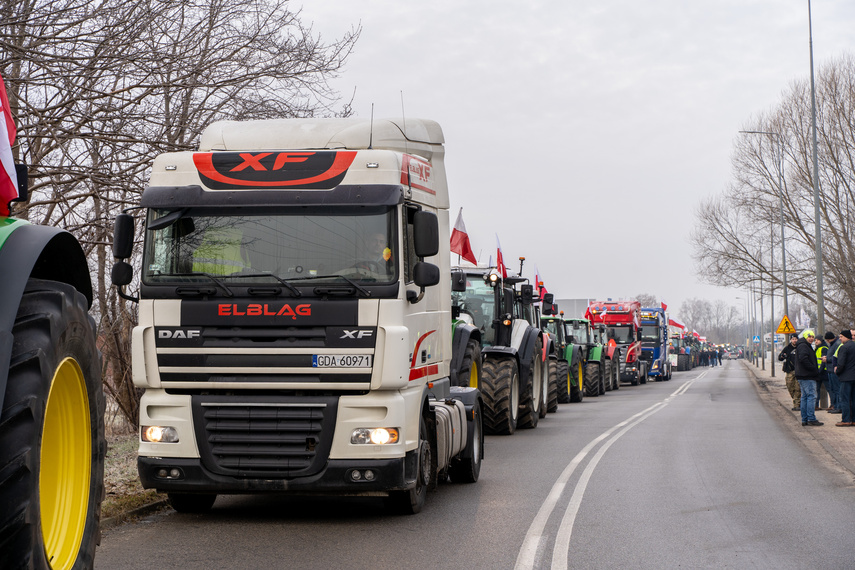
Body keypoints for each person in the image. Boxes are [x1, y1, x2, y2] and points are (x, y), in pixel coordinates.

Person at [794, 329, 822, 426]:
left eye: (812, 337)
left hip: (803, 375)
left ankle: (805, 419)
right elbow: (803, 359)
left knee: (805, 397)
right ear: (805, 337)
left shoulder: (803, 345)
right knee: (811, 396)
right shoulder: (803, 346)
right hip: (807, 375)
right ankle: (811, 418)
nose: (811, 339)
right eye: (809, 337)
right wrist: (814, 369)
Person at [834, 329, 855, 427]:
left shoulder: (844, 347)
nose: (840, 338)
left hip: (846, 378)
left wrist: (837, 371)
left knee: (845, 399)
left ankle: (846, 420)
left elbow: (841, 364)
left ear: (846, 337)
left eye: (841, 337)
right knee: (854, 399)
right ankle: (853, 420)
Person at [778, 335, 800, 411]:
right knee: (790, 386)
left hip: (798, 371)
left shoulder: (800, 347)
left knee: (798, 388)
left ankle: (797, 404)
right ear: (791, 340)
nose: (794, 340)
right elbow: (780, 358)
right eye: (793, 339)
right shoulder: (787, 348)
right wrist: (782, 356)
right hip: (790, 370)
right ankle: (796, 399)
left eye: (796, 339)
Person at [825, 331, 841, 414]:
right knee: (833, 389)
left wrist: (827, 359)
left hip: (834, 370)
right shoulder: (832, 344)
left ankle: (838, 406)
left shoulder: (837, 344)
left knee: (837, 389)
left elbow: (836, 358)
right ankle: (834, 405)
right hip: (830, 370)